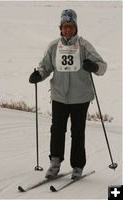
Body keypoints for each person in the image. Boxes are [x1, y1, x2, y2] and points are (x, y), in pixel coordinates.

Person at [29, 9, 107, 179]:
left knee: (77, 132)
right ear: (61, 27)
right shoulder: (54, 46)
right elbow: (46, 67)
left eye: (71, 26)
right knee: (57, 130)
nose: (68, 30)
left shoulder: (84, 46)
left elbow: (102, 66)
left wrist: (93, 67)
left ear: (76, 27)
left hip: (81, 97)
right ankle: (55, 163)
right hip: (59, 96)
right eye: (65, 26)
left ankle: (77, 166)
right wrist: (39, 75)